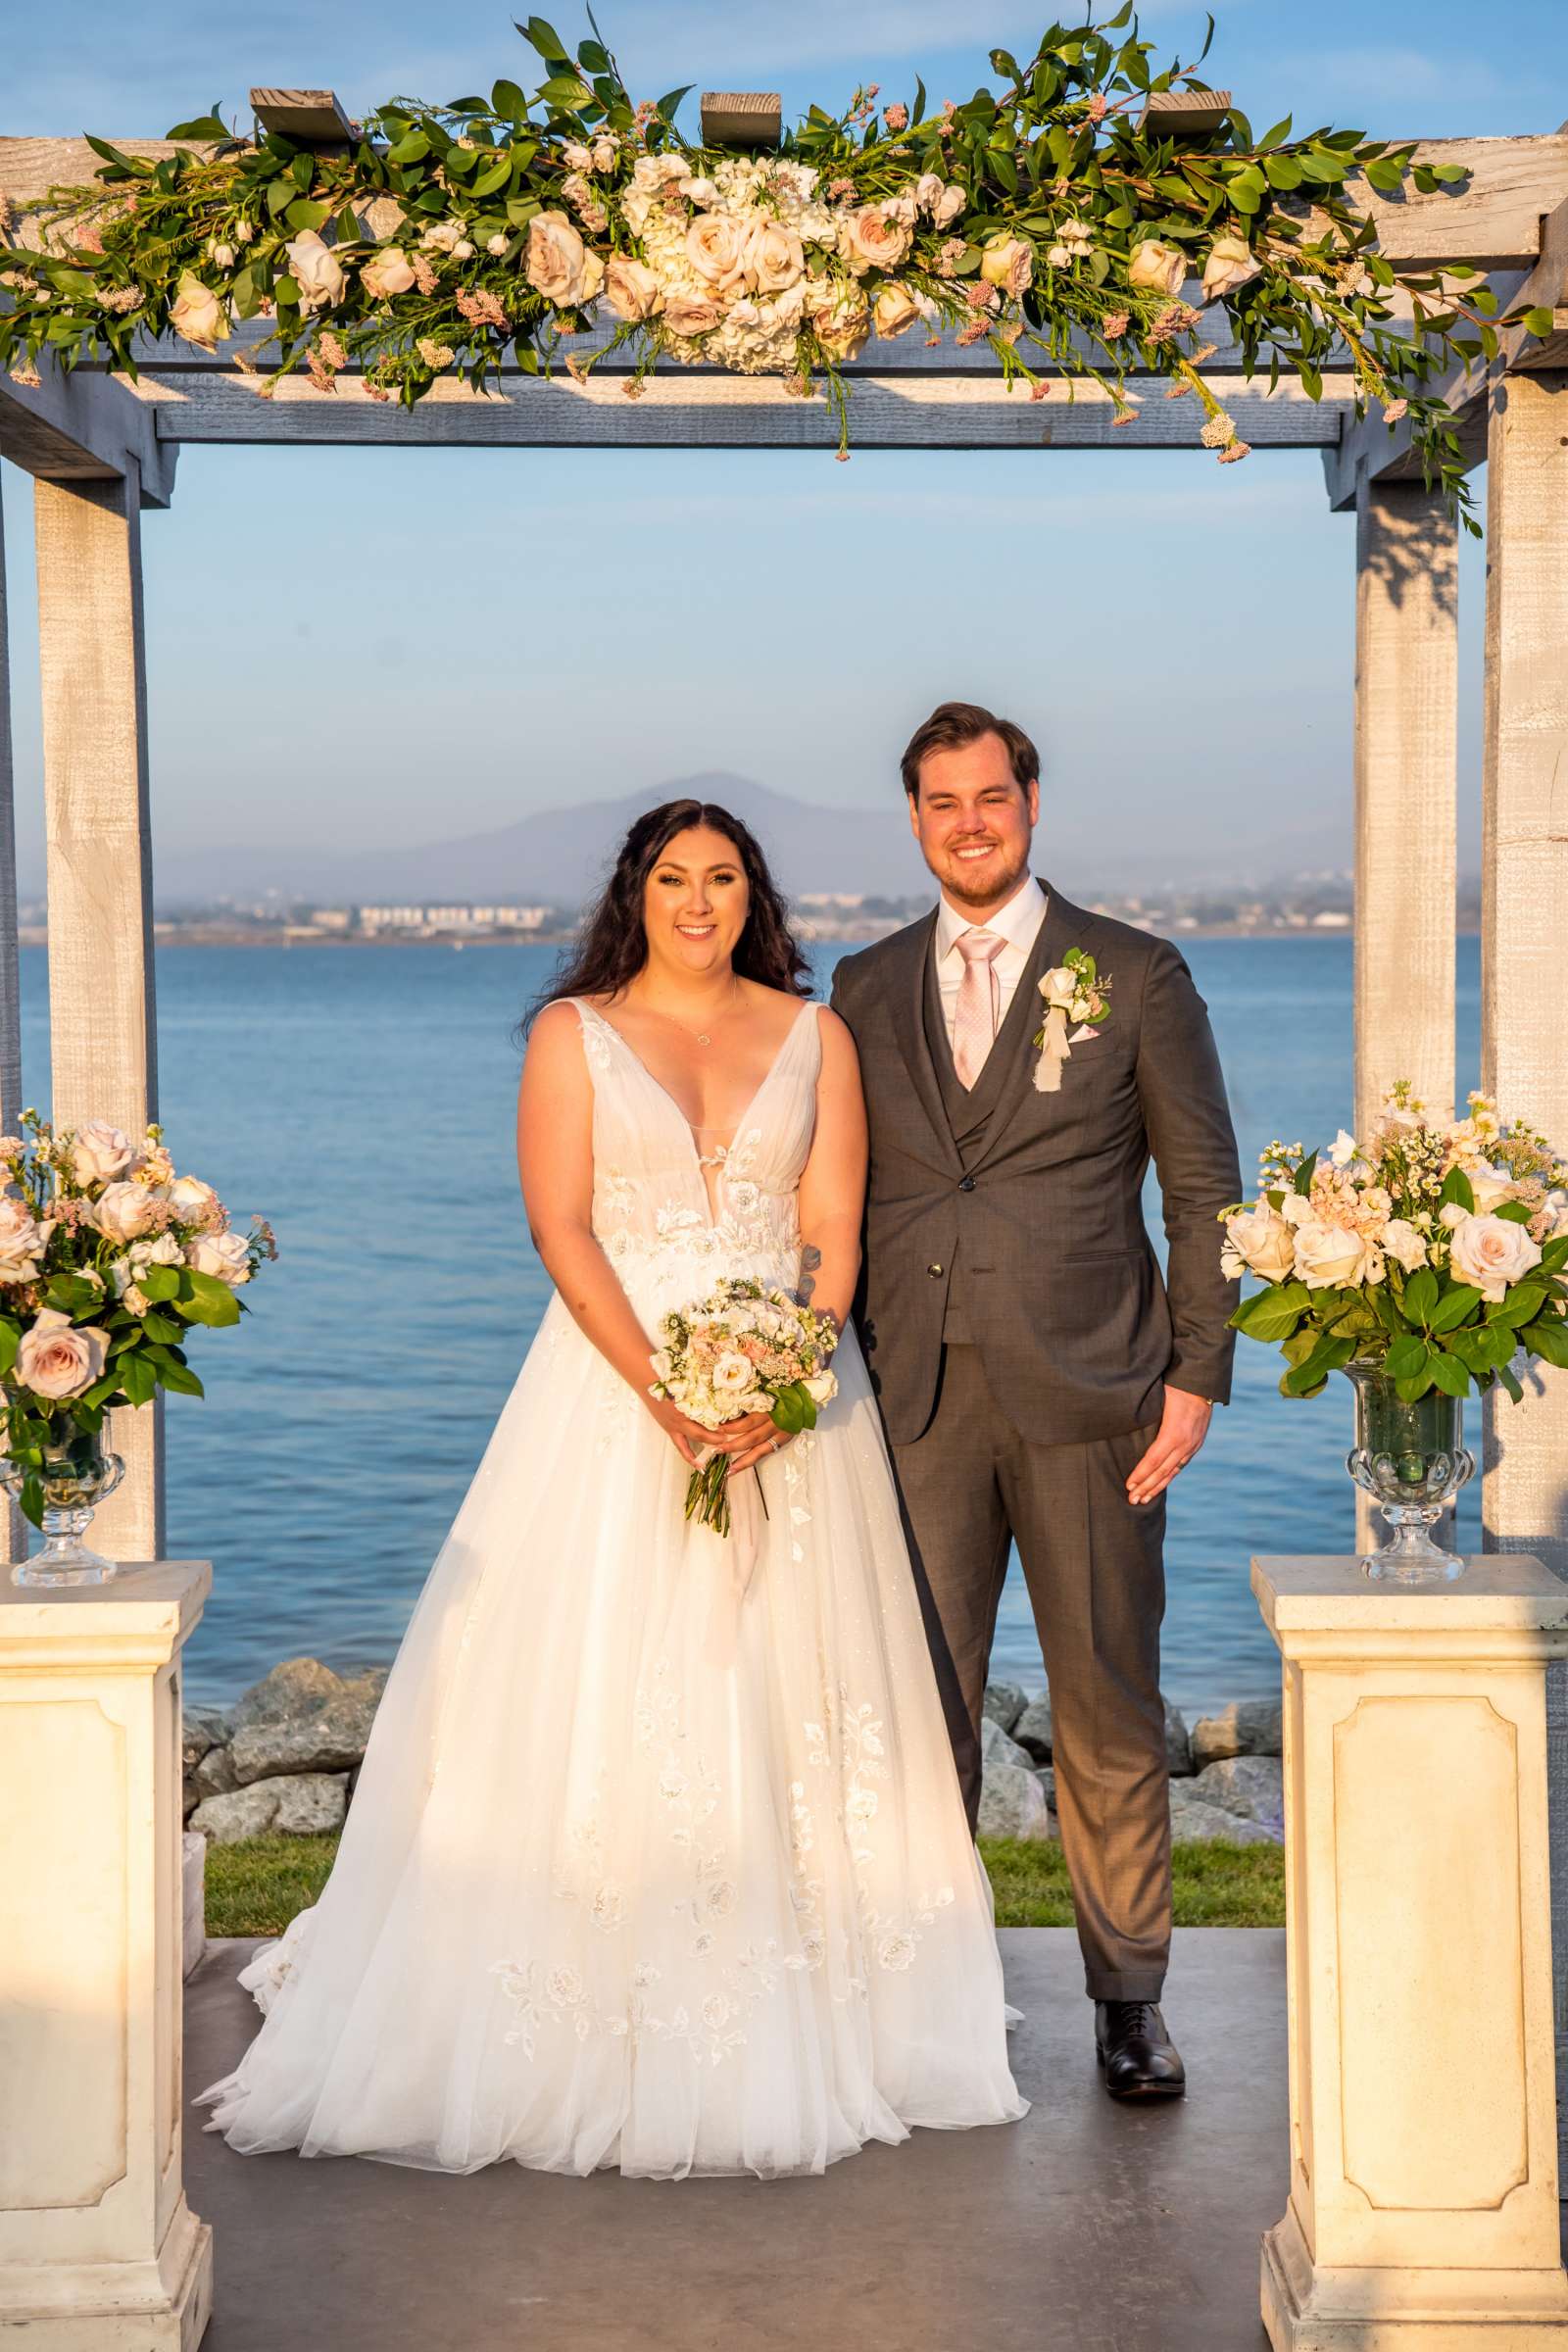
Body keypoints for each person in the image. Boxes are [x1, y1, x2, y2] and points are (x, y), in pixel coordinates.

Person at [197, 796, 1025, 2179]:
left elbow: (830, 1231)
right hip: (608, 1395)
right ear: (632, 897)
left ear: (752, 896)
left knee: (789, 1686)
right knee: (595, 1679)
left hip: (790, 1416)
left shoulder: (813, 1035)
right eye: (669, 879)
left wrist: (785, 1378)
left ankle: (825, 1992)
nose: (696, 903)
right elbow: (560, 1224)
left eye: (720, 878)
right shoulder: (570, 1034)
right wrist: (663, 1394)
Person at [829, 702, 1242, 2101]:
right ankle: (928, 2001)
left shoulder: (1135, 973)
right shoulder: (866, 984)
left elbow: (1202, 1194)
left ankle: (1129, 2003)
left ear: (1033, 803)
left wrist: (1196, 1376)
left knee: (1108, 1713)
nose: (969, 823)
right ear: (914, 820)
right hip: (915, 1405)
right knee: (919, 1709)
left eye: (990, 797)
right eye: (942, 802)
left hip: (1097, 1398)